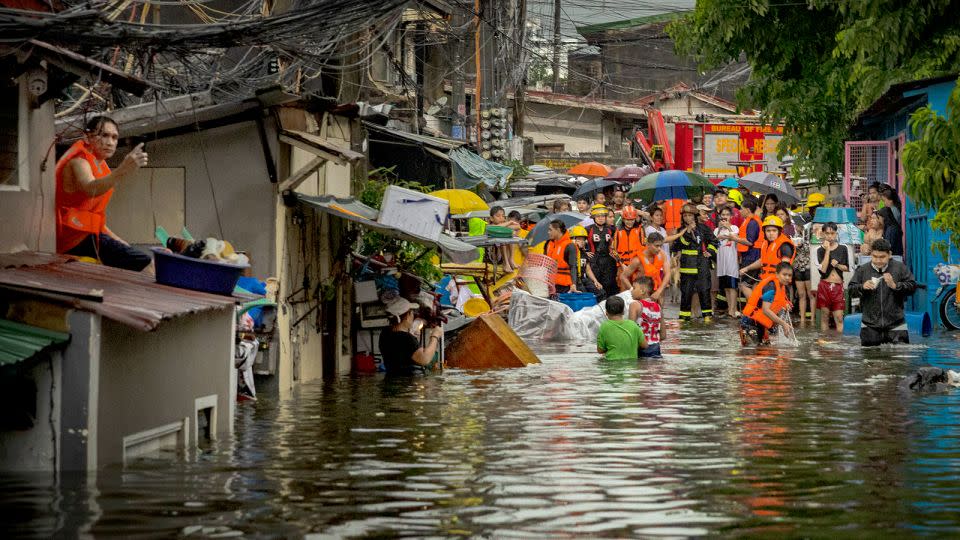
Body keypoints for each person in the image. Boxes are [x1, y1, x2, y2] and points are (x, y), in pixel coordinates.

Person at [55, 115, 151, 271]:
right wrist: (123, 169)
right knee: (145, 263)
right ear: (87, 137)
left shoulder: (101, 166)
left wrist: (122, 243)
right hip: (71, 237)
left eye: (114, 137)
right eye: (104, 135)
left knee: (139, 257)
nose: (110, 142)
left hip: (86, 235)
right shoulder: (79, 161)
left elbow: (96, 221)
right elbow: (91, 188)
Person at [847, 238, 918, 346]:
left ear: (889, 254)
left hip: (896, 325)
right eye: (875, 256)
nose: (878, 260)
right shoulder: (863, 270)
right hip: (870, 326)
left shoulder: (900, 268)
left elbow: (912, 287)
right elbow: (851, 290)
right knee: (870, 359)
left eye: (882, 257)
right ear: (871, 254)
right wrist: (862, 287)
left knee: (900, 359)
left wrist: (895, 286)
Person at [673, 204, 717, 321]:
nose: (688, 218)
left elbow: (714, 241)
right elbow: (678, 245)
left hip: (702, 264)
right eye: (685, 216)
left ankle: (707, 317)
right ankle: (684, 318)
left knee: (704, 290)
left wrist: (710, 251)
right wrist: (687, 232)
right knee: (686, 293)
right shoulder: (680, 230)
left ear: (695, 216)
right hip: (687, 266)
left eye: (690, 215)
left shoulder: (703, 228)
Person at [380, 298, 443, 375]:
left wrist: (412, 335)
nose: (413, 316)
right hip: (407, 382)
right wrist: (435, 336)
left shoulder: (385, 333)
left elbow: (401, 351)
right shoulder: (406, 338)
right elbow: (424, 359)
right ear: (407, 316)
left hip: (391, 378)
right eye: (412, 313)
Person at [740, 262, 795, 346]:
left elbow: (778, 301)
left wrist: (785, 305)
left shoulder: (782, 286)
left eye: (789, 275)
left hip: (761, 323)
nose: (787, 277)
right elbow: (766, 310)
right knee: (754, 352)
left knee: (765, 349)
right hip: (751, 322)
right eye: (784, 274)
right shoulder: (771, 287)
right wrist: (783, 324)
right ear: (776, 274)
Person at [816, 221, 850, 332]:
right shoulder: (820, 250)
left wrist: (838, 265)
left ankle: (840, 344)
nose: (830, 236)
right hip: (824, 285)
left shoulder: (843, 248)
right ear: (823, 234)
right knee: (824, 316)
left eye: (832, 233)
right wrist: (827, 251)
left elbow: (847, 268)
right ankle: (824, 343)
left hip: (838, 286)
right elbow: (823, 270)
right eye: (827, 233)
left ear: (836, 234)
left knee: (839, 317)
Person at [584, 204, 619, 299]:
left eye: (603, 216)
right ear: (593, 217)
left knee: (609, 284)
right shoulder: (588, 229)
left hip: (608, 260)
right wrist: (585, 252)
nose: (600, 218)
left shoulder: (611, 229)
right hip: (594, 261)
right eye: (598, 216)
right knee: (596, 286)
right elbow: (576, 242)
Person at [597, 295, 646, 360]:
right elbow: (644, 345)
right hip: (631, 366)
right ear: (623, 311)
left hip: (611, 365)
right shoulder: (633, 325)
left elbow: (600, 350)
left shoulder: (604, 326)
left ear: (606, 312)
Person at [713, 206, 741, 318]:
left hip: (731, 261)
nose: (724, 217)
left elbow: (735, 237)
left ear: (731, 216)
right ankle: (730, 309)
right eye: (723, 215)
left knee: (732, 286)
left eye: (727, 215)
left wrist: (728, 228)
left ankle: (733, 309)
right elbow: (715, 239)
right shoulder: (716, 229)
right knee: (725, 287)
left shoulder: (734, 228)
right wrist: (720, 229)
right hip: (721, 261)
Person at [733, 200, 763, 298]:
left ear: (747, 210)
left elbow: (750, 241)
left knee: (744, 284)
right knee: (753, 284)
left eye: (741, 209)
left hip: (752, 256)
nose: (740, 211)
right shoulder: (750, 221)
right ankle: (754, 311)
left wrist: (734, 238)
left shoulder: (753, 222)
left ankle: (754, 308)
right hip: (751, 255)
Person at [629, 276, 663, 358]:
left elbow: (630, 331)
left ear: (642, 291)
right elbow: (663, 335)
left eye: (634, 288)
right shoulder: (658, 307)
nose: (631, 291)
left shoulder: (635, 305)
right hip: (656, 349)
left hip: (640, 349)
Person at [544, 219, 579, 294]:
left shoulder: (570, 246)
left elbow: (573, 267)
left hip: (564, 286)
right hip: (550, 284)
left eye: (550, 230)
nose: (548, 232)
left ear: (558, 230)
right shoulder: (549, 244)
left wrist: (573, 284)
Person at [615, 205, 645, 291]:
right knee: (623, 291)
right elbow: (613, 250)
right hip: (623, 265)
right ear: (623, 219)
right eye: (627, 219)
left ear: (635, 219)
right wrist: (622, 264)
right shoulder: (618, 231)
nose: (630, 222)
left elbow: (644, 247)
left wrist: (638, 263)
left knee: (638, 290)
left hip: (637, 265)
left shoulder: (640, 230)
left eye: (632, 219)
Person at [569, 225, 604, 299]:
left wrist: (595, 281)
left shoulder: (583, 253)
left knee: (601, 292)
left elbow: (587, 269)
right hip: (574, 281)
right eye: (579, 239)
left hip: (583, 279)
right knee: (585, 295)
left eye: (583, 239)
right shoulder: (569, 252)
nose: (582, 242)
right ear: (572, 239)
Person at [636, 232, 670, 302]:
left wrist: (659, 291)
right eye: (656, 246)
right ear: (648, 244)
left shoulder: (662, 255)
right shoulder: (637, 260)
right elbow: (623, 277)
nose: (659, 249)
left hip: (656, 292)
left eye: (661, 246)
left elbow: (668, 274)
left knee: (660, 300)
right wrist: (632, 291)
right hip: (641, 295)